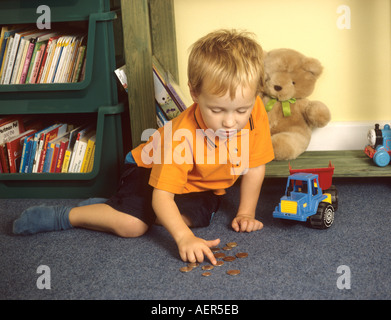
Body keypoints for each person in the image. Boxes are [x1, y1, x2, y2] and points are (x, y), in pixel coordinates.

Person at [13, 29, 274, 265]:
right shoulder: (181, 137)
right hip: (146, 170)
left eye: (241, 109)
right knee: (133, 225)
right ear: (194, 94)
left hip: (197, 183)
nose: (230, 121)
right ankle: (69, 215)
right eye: (216, 110)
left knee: (194, 218)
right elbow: (162, 197)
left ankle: (115, 205)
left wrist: (246, 211)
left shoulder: (255, 110)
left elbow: (254, 165)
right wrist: (184, 238)